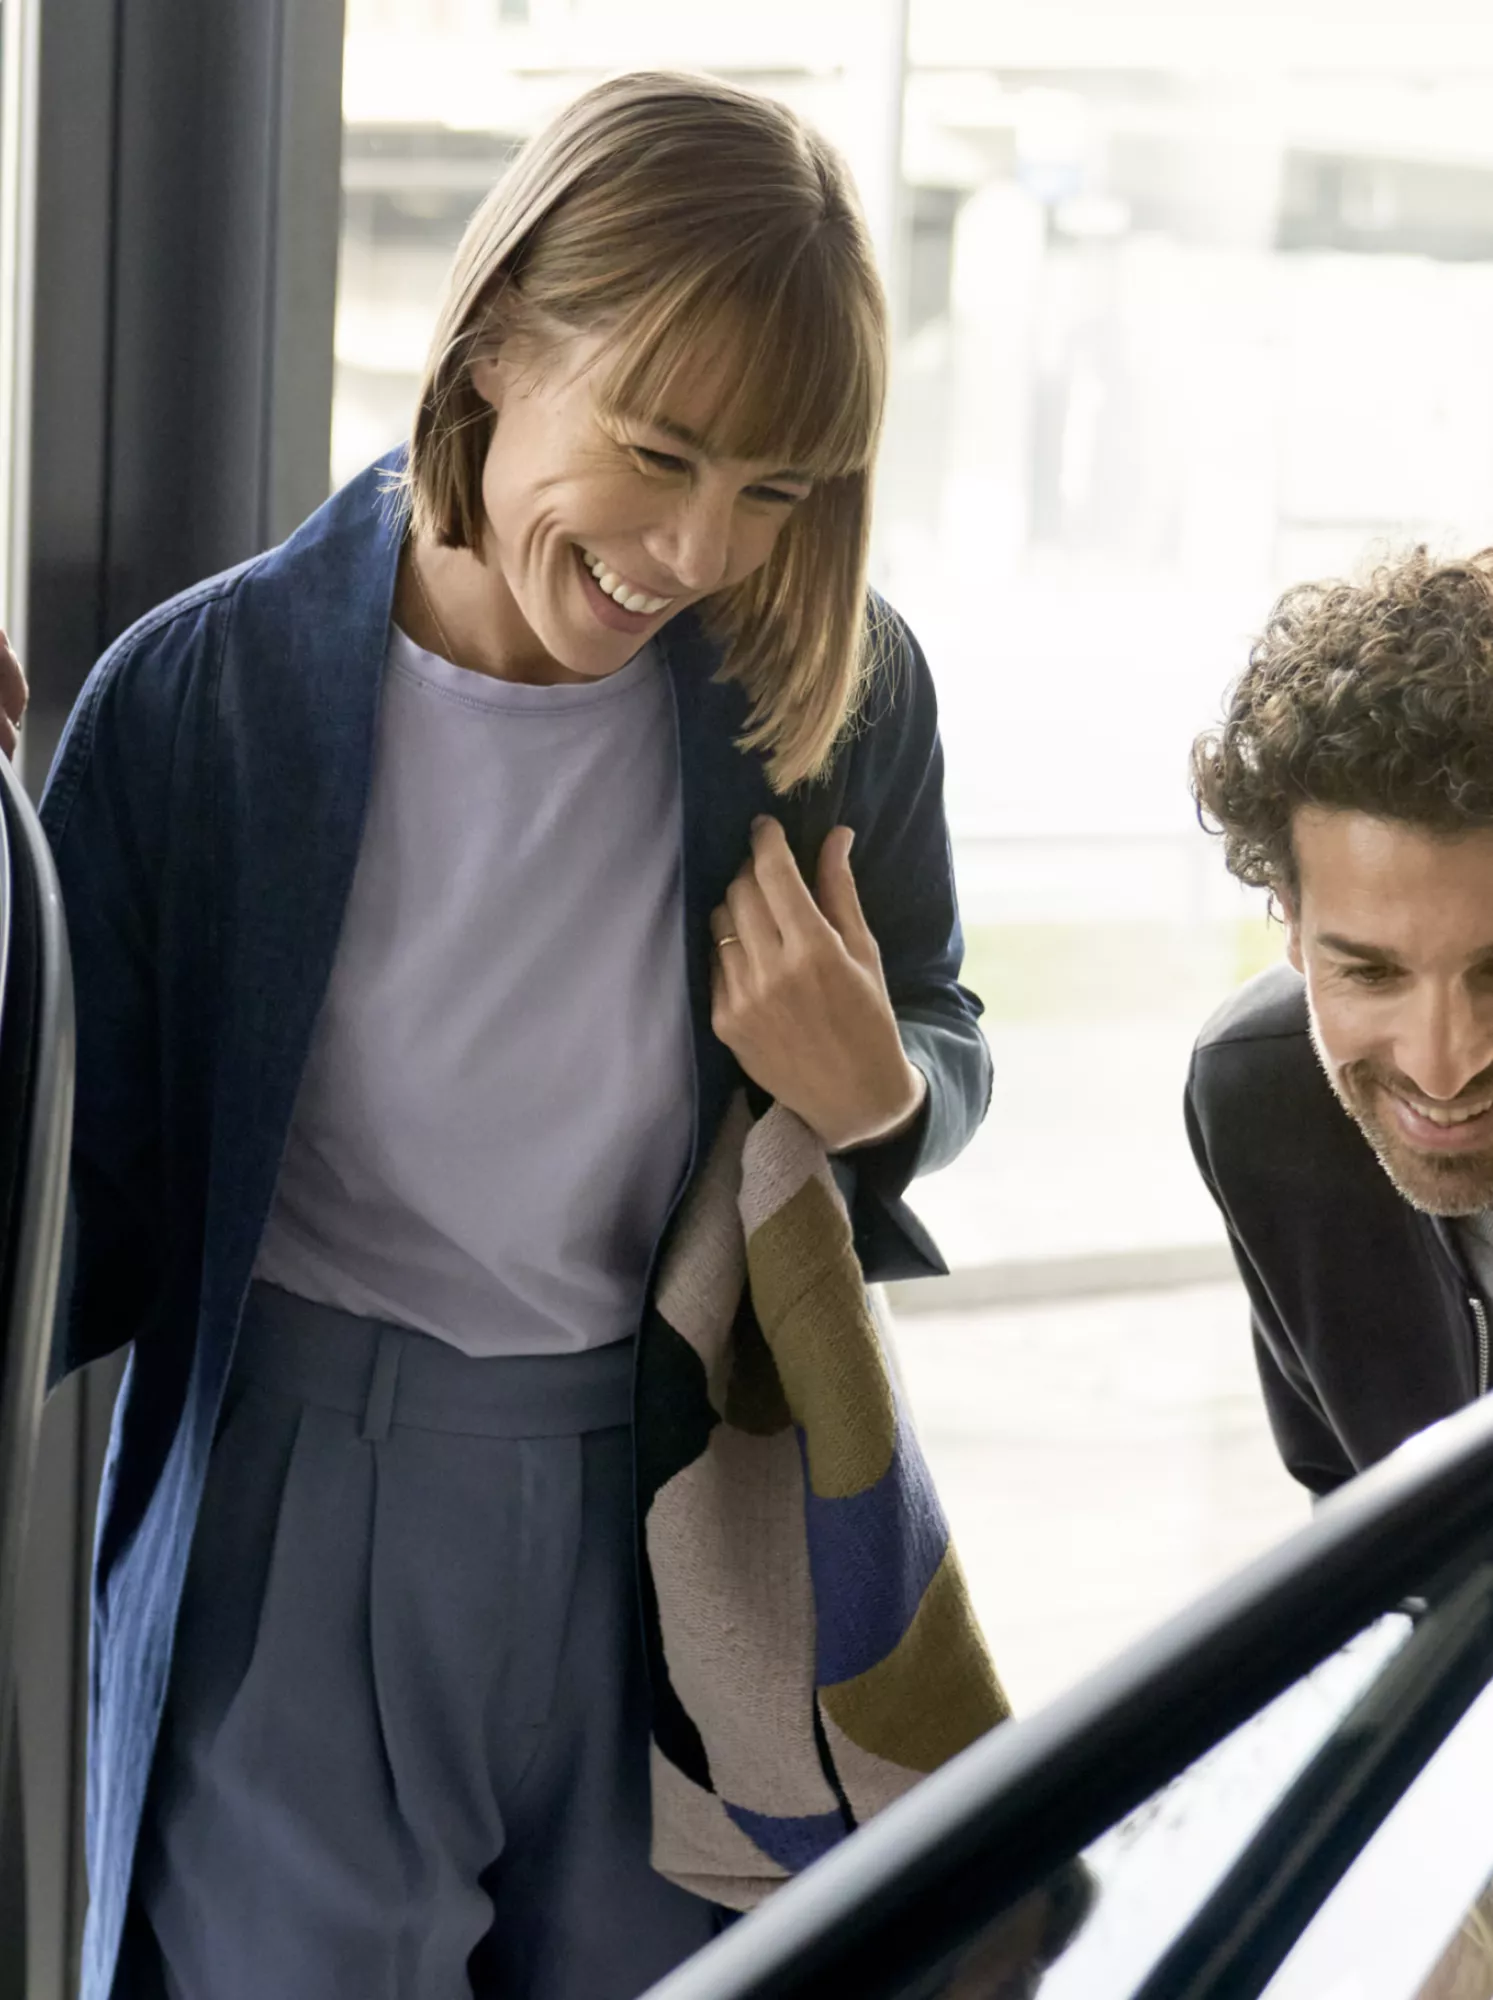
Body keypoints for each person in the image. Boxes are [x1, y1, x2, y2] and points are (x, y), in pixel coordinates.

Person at [41, 69, 991, 2000]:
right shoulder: (205, 700)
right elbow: (62, 1194)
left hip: (680, 1517)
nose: (700, 548)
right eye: (659, 452)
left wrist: (883, 1094)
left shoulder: (830, 694)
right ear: (490, 350)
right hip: (305, 1511)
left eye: (773, 490)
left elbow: (938, 1035)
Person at [1187, 547, 1493, 1498]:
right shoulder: (1259, 1094)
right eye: (1368, 972)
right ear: (1288, 919)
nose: (1441, 1067)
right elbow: (1347, 1498)